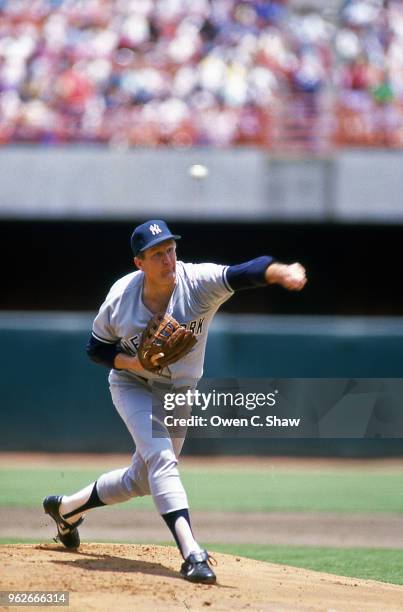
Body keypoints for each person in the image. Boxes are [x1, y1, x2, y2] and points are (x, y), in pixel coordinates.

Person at [43, 219, 307, 584]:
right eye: (157, 254)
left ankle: (64, 509)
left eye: (170, 250)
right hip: (132, 384)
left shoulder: (197, 283)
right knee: (162, 460)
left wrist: (282, 272)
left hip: (179, 390)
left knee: (143, 479)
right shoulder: (121, 297)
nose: (168, 260)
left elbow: (246, 271)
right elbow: (96, 349)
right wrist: (133, 361)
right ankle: (192, 553)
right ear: (140, 263)